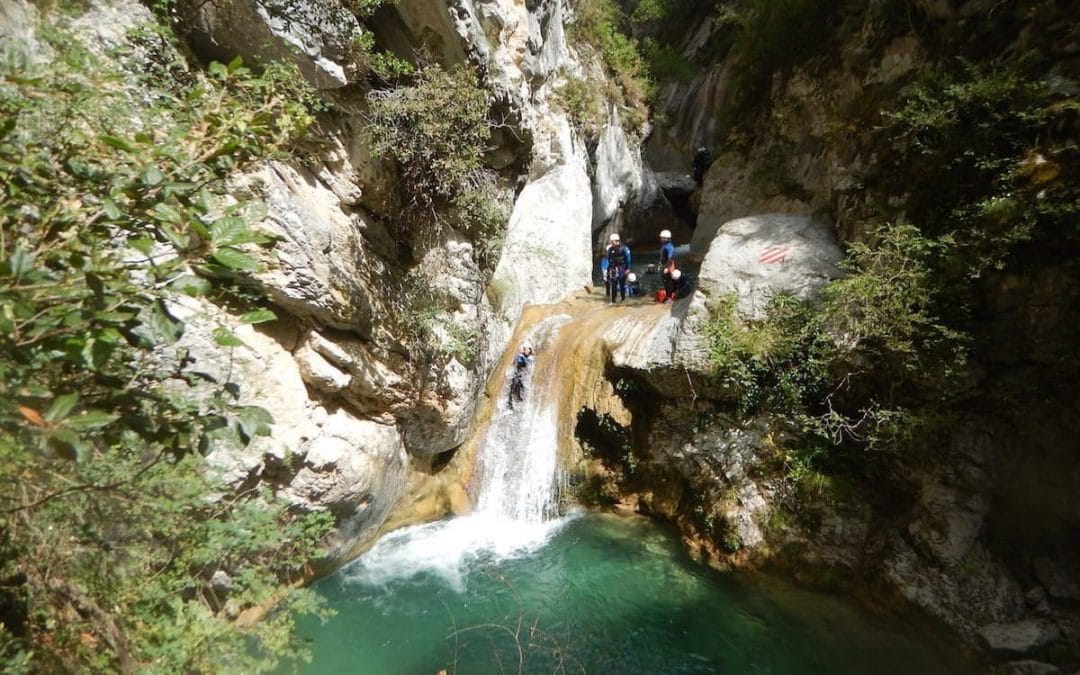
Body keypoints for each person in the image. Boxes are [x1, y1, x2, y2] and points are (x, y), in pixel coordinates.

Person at [605, 233, 632, 303]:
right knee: (613, 284)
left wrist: (628, 268)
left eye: (612, 241)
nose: (611, 243)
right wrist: (609, 269)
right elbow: (609, 259)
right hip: (614, 268)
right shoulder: (610, 249)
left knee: (621, 284)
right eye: (611, 241)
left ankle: (623, 299)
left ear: (616, 241)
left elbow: (628, 259)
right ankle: (613, 300)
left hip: (622, 268)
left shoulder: (624, 248)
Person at [658, 229, 675, 298]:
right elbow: (662, 257)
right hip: (663, 264)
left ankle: (669, 297)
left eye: (663, 238)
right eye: (661, 238)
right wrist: (660, 266)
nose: (661, 239)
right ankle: (668, 296)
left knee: (668, 282)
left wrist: (667, 268)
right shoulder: (664, 246)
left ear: (667, 238)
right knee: (665, 281)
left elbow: (670, 259)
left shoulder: (669, 247)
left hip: (668, 265)